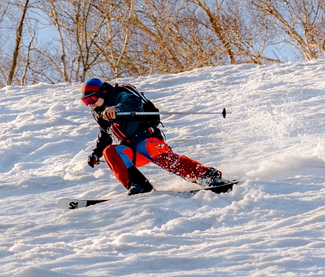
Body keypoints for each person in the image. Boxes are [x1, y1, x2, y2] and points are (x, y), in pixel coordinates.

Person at [81, 78, 230, 194]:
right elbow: (105, 133)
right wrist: (96, 153)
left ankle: (207, 176)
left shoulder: (119, 96)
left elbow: (133, 101)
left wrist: (117, 108)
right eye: (85, 101)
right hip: (129, 148)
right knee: (110, 152)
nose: (89, 104)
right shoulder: (98, 112)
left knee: (163, 158)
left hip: (146, 138)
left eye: (91, 99)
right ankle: (139, 185)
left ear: (103, 93)